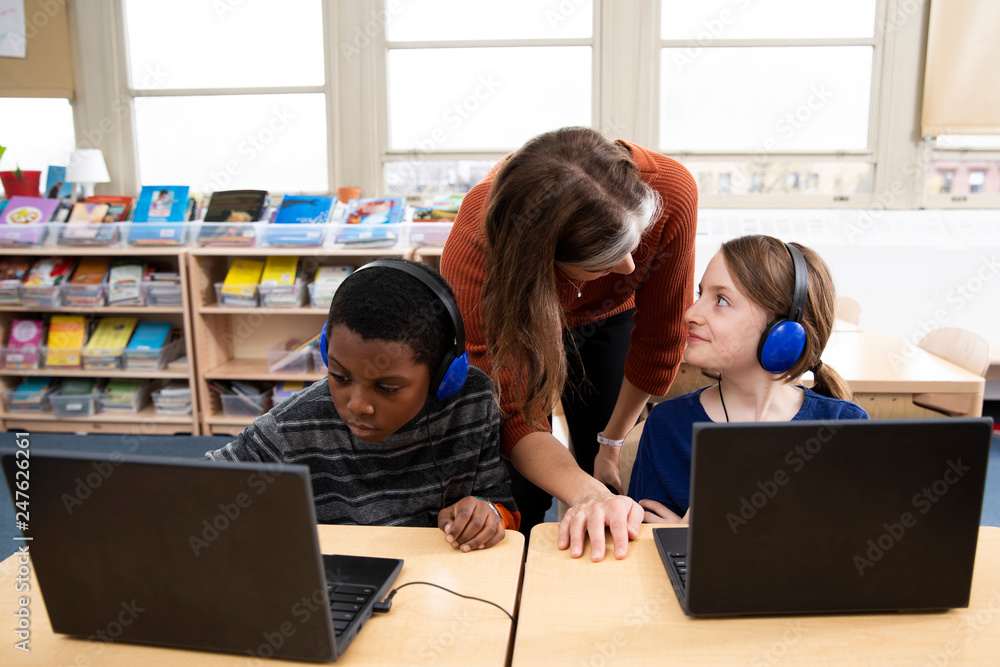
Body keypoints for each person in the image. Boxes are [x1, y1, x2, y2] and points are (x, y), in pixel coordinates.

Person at [440, 126, 698, 560]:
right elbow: (511, 410)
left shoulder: (671, 189)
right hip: (520, 316)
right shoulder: (477, 243)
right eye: (604, 258)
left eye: (632, 242)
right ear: (543, 260)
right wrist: (585, 492)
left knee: (602, 455)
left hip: (610, 322)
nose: (629, 266)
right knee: (520, 485)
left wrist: (610, 448)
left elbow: (660, 340)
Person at [205, 258, 519, 552]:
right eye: (340, 376)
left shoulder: (471, 402)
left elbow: (501, 506)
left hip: (438, 586)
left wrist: (487, 513)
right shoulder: (294, 426)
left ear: (442, 374)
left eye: (387, 387)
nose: (357, 405)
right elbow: (194, 489)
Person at [627, 235, 870, 523]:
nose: (691, 313)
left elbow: (854, 548)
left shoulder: (844, 426)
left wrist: (703, 538)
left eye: (721, 300)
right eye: (699, 294)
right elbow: (642, 553)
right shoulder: (667, 426)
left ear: (783, 332)